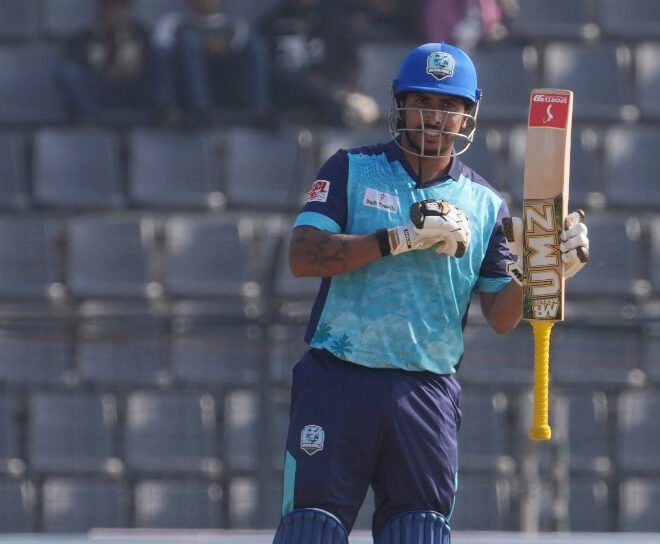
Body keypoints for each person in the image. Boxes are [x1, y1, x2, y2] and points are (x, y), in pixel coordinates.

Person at [273, 42, 590, 544]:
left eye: (448, 105)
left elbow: (501, 316)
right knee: (311, 531)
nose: (435, 116)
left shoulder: (486, 204)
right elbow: (303, 256)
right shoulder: (350, 169)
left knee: (418, 532)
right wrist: (399, 238)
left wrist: (544, 271)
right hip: (338, 379)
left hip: (425, 390)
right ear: (400, 104)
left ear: (468, 115)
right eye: (423, 101)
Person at [257, 0, 378, 128]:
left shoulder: (333, 21)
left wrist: (338, 84)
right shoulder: (269, 25)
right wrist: (310, 82)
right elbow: (267, 71)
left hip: (331, 93)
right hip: (287, 97)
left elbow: (350, 61)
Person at [152, 0, 272, 124]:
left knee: (255, 44)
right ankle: (196, 109)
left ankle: (259, 108)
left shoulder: (236, 26)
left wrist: (224, 48)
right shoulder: (172, 24)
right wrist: (200, 46)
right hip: (187, 91)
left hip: (223, 84)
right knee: (188, 42)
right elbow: (162, 60)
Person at [55, 0, 154, 122]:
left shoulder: (141, 34)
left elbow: (148, 68)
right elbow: (81, 72)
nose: (119, 14)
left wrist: (135, 66)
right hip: (101, 92)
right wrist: (103, 70)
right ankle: (92, 118)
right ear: (101, 10)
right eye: (113, 9)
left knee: (159, 56)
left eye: (123, 9)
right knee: (67, 71)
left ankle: (162, 113)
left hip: (132, 92)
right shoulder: (83, 39)